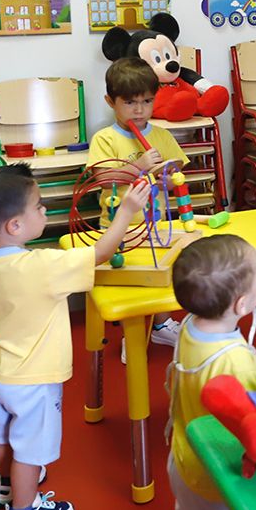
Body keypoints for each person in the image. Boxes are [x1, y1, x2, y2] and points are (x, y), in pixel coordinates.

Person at [0, 164, 148, 510]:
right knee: (30, 450)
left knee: (2, 435)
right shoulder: (42, 266)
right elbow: (99, 253)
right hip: (34, 378)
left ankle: (5, 486)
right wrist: (126, 211)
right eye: (39, 206)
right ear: (14, 225)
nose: (45, 211)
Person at [166, 235, 256, 510]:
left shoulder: (190, 325)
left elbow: (216, 356)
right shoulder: (235, 363)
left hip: (183, 457)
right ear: (242, 305)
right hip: (215, 474)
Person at [89, 57, 190, 358]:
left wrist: (169, 178)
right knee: (131, 282)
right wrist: (139, 166)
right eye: (130, 102)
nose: (139, 109)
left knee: (159, 274)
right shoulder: (105, 139)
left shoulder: (161, 135)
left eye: (146, 101)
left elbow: (174, 176)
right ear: (111, 101)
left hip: (155, 222)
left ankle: (160, 327)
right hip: (118, 227)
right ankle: (131, 335)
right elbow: (103, 179)